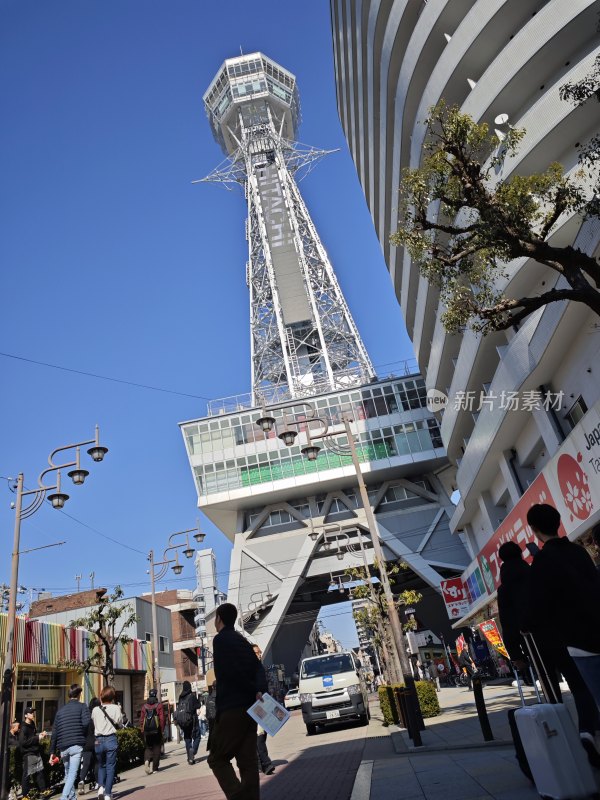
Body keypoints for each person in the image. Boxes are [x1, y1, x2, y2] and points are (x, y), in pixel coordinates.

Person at [526, 503, 600, 756]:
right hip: (597, 627)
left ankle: (588, 732)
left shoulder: (541, 562)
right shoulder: (579, 553)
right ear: (558, 522)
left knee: (588, 690)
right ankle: (589, 733)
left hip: (576, 640)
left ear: (534, 530)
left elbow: (539, 606)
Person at [207, 602, 267, 800]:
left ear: (219, 619)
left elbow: (230, 672)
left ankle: (238, 796)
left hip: (232, 707)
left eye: (215, 618)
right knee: (247, 761)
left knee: (217, 758)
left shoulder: (220, 640)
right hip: (251, 708)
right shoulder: (242, 640)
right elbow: (258, 668)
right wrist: (258, 690)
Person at [49, 684, 91, 800]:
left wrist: (52, 751)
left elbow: (55, 733)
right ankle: (63, 797)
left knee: (68, 774)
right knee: (72, 775)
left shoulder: (60, 711)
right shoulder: (83, 707)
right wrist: (81, 732)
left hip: (63, 747)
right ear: (79, 695)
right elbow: (87, 723)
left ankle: (72, 798)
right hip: (76, 745)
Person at [91, 685, 123, 800]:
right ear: (112, 697)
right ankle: (108, 794)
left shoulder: (95, 709)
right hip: (110, 739)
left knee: (101, 765)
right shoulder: (116, 708)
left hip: (98, 741)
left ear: (102, 696)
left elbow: (94, 722)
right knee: (110, 767)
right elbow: (120, 723)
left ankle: (100, 788)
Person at [252, 644, 275, 776]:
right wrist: (257, 692)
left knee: (262, 734)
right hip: (256, 704)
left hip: (263, 702)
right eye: (256, 652)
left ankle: (260, 763)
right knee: (260, 735)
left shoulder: (259, 666)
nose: (259, 654)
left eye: (259, 652)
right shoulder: (251, 667)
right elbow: (251, 683)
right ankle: (266, 764)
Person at [20, 706, 49, 799]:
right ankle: (25, 795)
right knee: (27, 774)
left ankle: (43, 791)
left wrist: (40, 735)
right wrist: (37, 738)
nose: (33, 714)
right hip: (29, 753)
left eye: (33, 712)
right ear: (25, 715)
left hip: (35, 751)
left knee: (39, 771)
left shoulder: (32, 724)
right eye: (30, 713)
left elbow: (32, 737)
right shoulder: (23, 727)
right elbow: (23, 742)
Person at [139, 688, 165, 775]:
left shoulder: (144, 706)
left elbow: (142, 719)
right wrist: (162, 729)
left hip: (147, 731)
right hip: (156, 730)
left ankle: (147, 760)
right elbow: (162, 719)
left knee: (148, 747)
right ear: (155, 695)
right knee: (157, 748)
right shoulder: (159, 705)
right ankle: (155, 768)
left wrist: (142, 729)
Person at [175, 680, 200, 765]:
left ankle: (190, 758)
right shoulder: (191, 696)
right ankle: (192, 751)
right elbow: (198, 705)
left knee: (187, 738)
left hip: (184, 722)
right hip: (193, 720)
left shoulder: (180, 697)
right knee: (197, 736)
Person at [78, 698, 100, 794]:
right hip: (95, 742)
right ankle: (98, 782)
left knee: (86, 764)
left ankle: (81, 780)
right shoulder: (97, 715)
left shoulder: (85, 715)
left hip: (86, 743)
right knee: (96, 763)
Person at [205, 683, 217, 750]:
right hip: (217, 718)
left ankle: (212, 749)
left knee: (212, 734)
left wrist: (208, 717)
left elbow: (207, 708)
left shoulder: (209, 697)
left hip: (210, 718)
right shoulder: (219, 696)